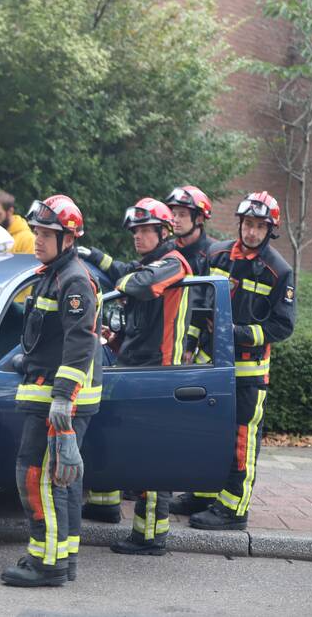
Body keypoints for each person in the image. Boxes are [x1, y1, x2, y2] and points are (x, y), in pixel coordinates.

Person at [79, 197, 192, 555]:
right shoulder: (150, 262)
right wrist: (95, 256)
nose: (138, 237)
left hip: (158, 374)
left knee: (152, 456)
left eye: (145, 231)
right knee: (131, 448)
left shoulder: (174, 263)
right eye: (135, 231)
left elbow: (139, 285)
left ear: (163, 232)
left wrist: (119, 282)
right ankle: (111, 510)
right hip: (136, 369)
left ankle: (150, 536)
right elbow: (127, 271)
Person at [1, 195, 103, 588]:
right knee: (62, 481)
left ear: (68, 238)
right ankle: (63, 559)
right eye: (37, 232)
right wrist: (27, 360)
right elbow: (50, 337)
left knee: (34, 476)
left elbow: (81, 341)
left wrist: (62, 395)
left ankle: (46, 563)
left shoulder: (73, 279)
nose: (38, 240)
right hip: (51, 391)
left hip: (59, 400)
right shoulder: (51, 273)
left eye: (47, 234)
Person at [183, 192, 296, 531]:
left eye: (259, 227)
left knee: (241, 441)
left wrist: (240, 333)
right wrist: (189, 341)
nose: (251, 232)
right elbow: (198, 300)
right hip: (210, 365)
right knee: (206, 433)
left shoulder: (279, 271)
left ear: (270, 230)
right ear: (240, 223)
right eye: (248, 224)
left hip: (248, 374)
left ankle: (233, 510)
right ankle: (202, 495)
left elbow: (283, 326)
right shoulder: (216, 255)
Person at [164, 185, 214, 365]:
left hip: (199, 348)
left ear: (199, 218)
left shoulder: (213, 254)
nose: (175, 220)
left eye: (182, 215)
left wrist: (189, 343)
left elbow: (202, 302)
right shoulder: (167, 250)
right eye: (173, 213)